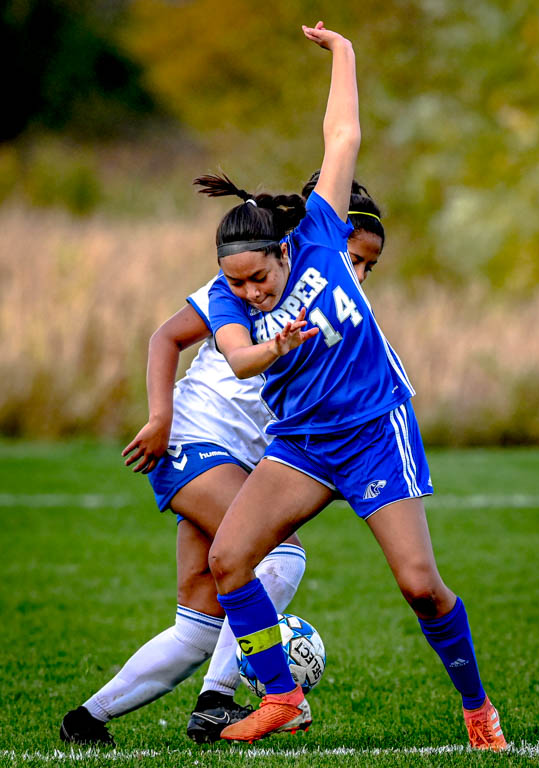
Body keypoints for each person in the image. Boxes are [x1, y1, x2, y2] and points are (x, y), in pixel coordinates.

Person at [196, 21, 507, 750]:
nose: (248, 291)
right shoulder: (225, 299)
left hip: (372, 430)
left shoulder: (322, 235)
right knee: (227, 561)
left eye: (259, 278)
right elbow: (240, 360)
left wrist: (343, 53)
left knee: (418, 586)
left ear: (284, 248)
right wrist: (272, 343)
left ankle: (476, 710)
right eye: (236, 283)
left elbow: (341, 137)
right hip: (301, 444)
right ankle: (281, 698)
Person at [58, 170, 386, 746]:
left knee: (199, 626)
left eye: (369, 267)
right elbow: (166, 337)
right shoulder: (246, 284)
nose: (359, 275)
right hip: (194, 441)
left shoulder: (328, 306)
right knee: (279, 557)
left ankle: (87, 720)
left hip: (234, 462)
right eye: (353, 258)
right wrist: (160, 418)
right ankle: (219, 700)